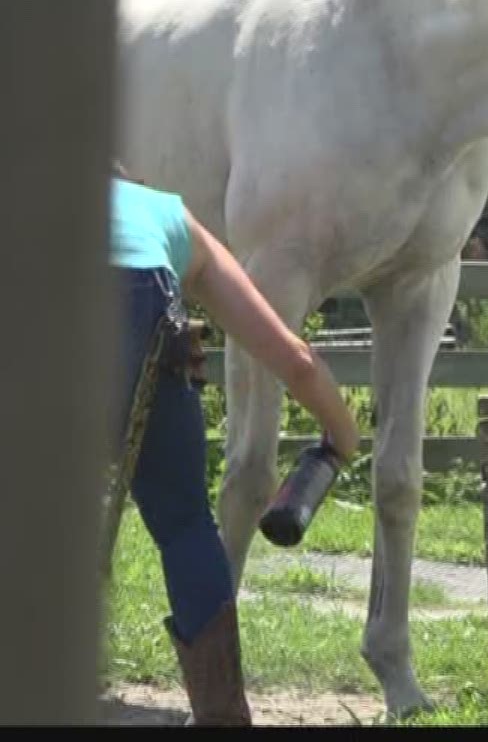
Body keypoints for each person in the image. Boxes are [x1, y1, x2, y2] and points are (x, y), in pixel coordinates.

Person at [109, 164, 360, 725]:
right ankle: (223, 714)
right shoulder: (167, 216)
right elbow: (292, 359)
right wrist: (342, 434)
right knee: (184, 526)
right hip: (144, 312)